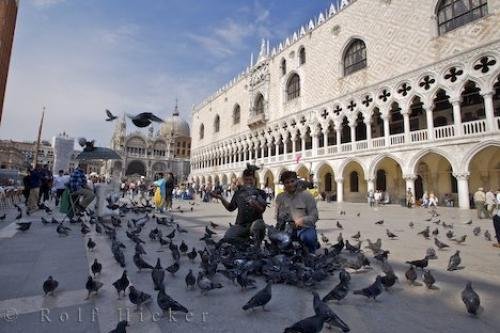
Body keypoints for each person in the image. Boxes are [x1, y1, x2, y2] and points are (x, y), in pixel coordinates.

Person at [211, 165, 267, 247]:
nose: (248, 182)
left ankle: (256, 245)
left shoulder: (261, 193)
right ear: (243, 180)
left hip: (255, 225)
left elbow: (262, 209)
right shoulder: (239, 193)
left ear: (255, 180)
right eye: (246, 180)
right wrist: (221, 198)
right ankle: (244, 243)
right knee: (229, 236)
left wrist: (255, 204)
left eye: (250, 179)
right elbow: (230, 208)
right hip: (241, 225)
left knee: (259, 225)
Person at [275, 171, 319, 253]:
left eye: (292, 181)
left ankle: (312, 245)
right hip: (287, 229)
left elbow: (314, 216)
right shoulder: (280, 197)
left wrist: (302, 221)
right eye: (287, 182)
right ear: (283, 184)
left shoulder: (306, 195)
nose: (290, 184)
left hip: (304, 228)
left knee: (308, 238)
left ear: (296, 180)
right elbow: (277, 217)